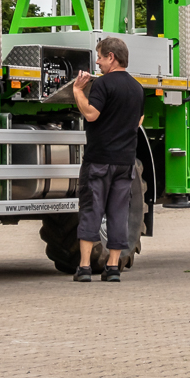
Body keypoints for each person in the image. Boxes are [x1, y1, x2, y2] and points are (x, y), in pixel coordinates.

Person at [70, 36, 146, 283]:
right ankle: (113, 267)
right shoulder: (137, 88)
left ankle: (83, 268)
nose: (98, 63)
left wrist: (78, 91)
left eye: (101, 57)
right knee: (117, 212)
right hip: (125, 162)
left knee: (91, 209)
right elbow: (139, 121)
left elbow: (91, 114)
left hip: (100, 160)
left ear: (111, 57)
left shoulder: (103, 85)